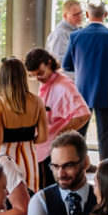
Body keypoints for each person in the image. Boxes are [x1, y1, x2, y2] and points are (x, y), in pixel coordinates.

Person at [63, 3, 108, 164]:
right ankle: (105, 170)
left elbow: (67, 65)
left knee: (79, 135)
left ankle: (77, 167)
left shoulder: (76, 36)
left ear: (87, 14)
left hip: (82, 92)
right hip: (107, 92)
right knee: (105, 137)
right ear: (105, 14)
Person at [28, 46, 89, 184]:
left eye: (40, 73)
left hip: (52, 149)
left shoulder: (64, 85)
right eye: (34, 76)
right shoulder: (47, 82)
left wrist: (60, 136)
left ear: (49, 63)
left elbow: (83, 115)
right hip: (43, 146)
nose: (38, 78)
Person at [0, 56, 48, 190]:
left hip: (5, 157)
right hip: (29, 157)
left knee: (6, 198)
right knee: (29, 198)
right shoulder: (37, 101)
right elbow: (43, 137)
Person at [27, 131, 96, 215]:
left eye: (68, 165)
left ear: (85, 163)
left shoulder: (104, 199)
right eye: (55, 166)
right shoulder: (41, 201)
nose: (61, 174)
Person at [45, 0, 84, 69]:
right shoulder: (60, 34)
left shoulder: (78, 30)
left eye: (81, 12)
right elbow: (58, 61)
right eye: (75, 15)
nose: (80, 16)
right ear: (65, 16)